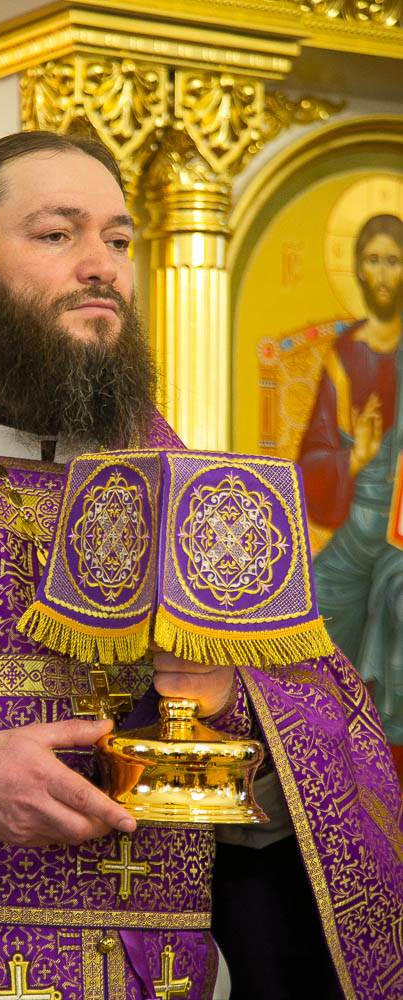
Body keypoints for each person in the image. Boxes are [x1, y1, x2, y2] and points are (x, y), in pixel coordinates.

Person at [0, 132, 401, 1000]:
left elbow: (340, 754)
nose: (101, 266)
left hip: (178, 972)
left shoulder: (188, 496)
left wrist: (230, 703)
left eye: (118, 240)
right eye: (57, 234)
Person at [298, 214, 403, 756]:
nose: (382, 274)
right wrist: (353, 456)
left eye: (393, 260)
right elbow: (311, 462)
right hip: (358, 530)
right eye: (372, 260)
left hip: (400, 533)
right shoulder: (345, 357)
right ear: (357, 269)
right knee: (307, 606)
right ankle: (332, 761)